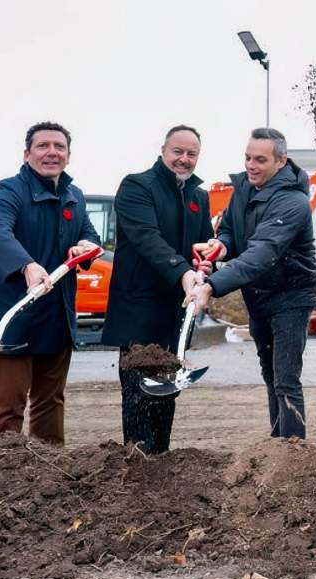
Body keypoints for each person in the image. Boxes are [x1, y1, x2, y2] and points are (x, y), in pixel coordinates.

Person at [186, 128, 316, 440]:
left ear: (281, 162)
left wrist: (211, 286)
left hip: (291, 296)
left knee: (286, 380)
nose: (251, 165)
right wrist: (221, 246)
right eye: (247, 157)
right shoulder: (244, 187)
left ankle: (293, 452)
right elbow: (232, 230)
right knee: (271, 376)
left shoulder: (294, 202)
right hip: (258, 295)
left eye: (260, 159)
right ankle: (277, 448)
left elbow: (262, 252)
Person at [0, 122, 101, 444]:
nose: (52, 152)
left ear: (68, 156)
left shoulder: (75, 197)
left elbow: (89, 236)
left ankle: (49, 475)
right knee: (8, 405)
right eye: (43, 146)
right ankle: (1, 472)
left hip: (56, 316)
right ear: (27, 153)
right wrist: (27, 266)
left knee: (51, 402)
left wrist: (85, 247)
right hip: (14, 313)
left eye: (59, 147)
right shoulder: (9, 190)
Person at [100, 125, 214, 454]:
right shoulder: (137, 186)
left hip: (174, 313)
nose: (184, 159)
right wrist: (182, 272)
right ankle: (137, 465)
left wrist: (207, 269)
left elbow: (204, 246)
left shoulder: (198, 196)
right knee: (139, 396)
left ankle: (161, 462)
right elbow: (146, 238)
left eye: (191, 154)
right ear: (163, 150)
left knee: (167, 394)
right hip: (138, 310)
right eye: (178, 151)